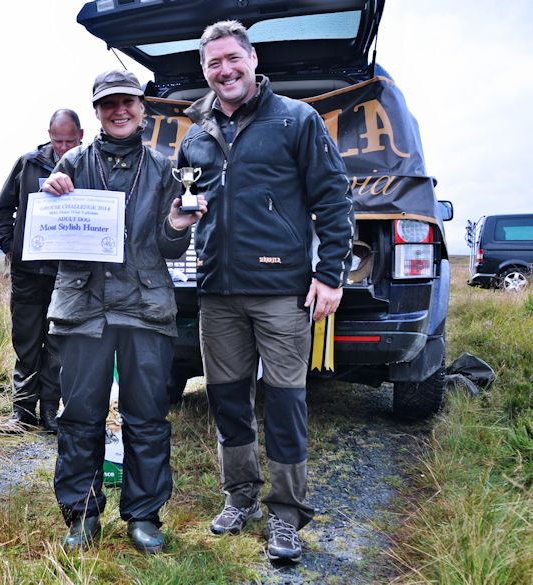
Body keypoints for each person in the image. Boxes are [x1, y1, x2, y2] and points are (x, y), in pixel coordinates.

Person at [177, 21, 354, 563]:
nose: (224, 71)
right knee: (227, 400)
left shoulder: (295, 120)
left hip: (281, 292)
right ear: (204, 71)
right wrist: (181, 219)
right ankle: (240, 497)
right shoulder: (195, 133)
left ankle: (286, 515)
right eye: (213, 64)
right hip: (217, 293)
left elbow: (334, 197)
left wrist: (329, 274)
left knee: (284, 403)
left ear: (252, 60)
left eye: (232, 59)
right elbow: (186, 204)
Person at [41, 69, 207, 554]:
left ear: (142, 108)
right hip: (83, 311)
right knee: (80, 417)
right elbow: (49, 237)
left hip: (144, 310)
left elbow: (172, 248)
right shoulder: (69, 163)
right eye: (108, 103)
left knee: (148, 416)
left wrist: (178, 224)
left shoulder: (163, 168)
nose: (119, 111)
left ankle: (143, 514)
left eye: (128, 103)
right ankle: (82, 515)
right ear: (96, 111)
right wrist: (51, 199)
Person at [0, 109, 84, 434]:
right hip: (28, 271)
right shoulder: (28, 163)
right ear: (48, 135)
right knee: (26, 341)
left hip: (67, 273)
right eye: (57, 140)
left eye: (69, 141)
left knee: (57, 344)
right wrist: (9, 246)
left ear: (81, 136)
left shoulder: (87, 164)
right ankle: (21, 412)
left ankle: (50, 411)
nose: (62, 148)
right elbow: (3, 208)